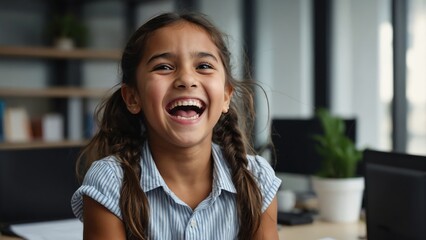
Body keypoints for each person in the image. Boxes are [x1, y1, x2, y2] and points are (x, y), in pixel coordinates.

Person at [71, 12, 281, 240]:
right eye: (163, 67)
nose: (186, 79)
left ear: (226, 96)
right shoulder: (110, 182)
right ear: (132, 97)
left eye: (203, 65)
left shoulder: (257, 178)